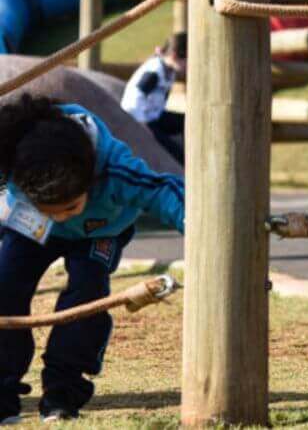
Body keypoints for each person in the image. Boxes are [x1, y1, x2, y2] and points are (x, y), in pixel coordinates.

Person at [0, 95, 184, 423]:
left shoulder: (115, 170)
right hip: (30, 225)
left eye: (68, 208)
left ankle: (62, 392)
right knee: (4, 283)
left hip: (99, 231)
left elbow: (162, 189)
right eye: (51, 211)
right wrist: (41, 212)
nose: (59, 217)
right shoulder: (13, 152)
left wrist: (198, 225)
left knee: (87, 291)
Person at [120, 32, 186, 161]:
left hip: (155, 116)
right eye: (186, 61)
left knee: (186, 120)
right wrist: (143, 125)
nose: (187, 67)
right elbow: (134, 97)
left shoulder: (169, 71)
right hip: (140, 119)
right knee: (174, 153)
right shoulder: (154, 71)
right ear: (174, 56)